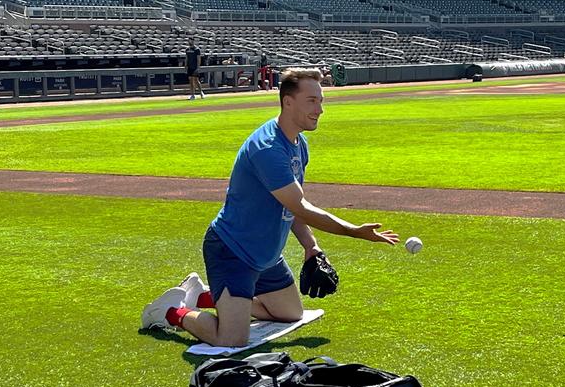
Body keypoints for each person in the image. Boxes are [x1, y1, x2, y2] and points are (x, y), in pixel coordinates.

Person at [141, 68, 399, 347]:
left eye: (321, 100)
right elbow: (299, 206)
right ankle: (172, 311)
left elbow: (290, 206)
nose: (320, 109)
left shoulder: (299, 143)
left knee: (291, 314)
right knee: (231, 338)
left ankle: (205, 296)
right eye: (312, 101)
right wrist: (354, 232)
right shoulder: (268, 149)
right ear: (288, 102)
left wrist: (310, 246)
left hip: (266, 256)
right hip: (233, 252)